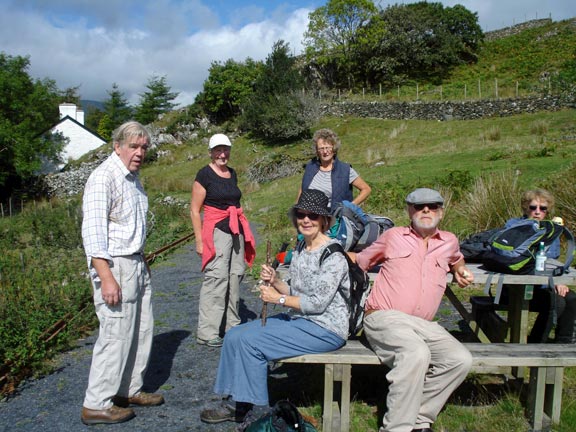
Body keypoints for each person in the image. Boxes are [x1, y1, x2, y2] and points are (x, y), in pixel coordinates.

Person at [199, 189, 350, 425]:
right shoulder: (302, 248)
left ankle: (259, 412)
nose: (306, 220)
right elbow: (297, 292)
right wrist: (276, 282)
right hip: (303, 320)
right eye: (301, 214)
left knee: (252, 343)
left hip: (326, 328)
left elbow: (316, 304)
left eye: (313, 215)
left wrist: (276, 299)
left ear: (324, 220)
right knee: (235, 334)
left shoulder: (334, 256)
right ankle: (237, 401)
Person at [350, 188, 474, 432]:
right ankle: (397, 428)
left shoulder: (449, 241)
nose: (426, 210)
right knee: (416, 354)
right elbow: (362, 260)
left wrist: (459, 269)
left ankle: (420, 418)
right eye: (419, 206)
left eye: (432, 206)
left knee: (460, 359)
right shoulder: (393, 236)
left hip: (423, 325)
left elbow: (456, 257)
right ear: (409, 210)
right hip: (385, 317)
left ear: (441, 211)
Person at [80, 121, 164, 425]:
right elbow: (93, 234)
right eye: (134, 146)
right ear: (118, 146)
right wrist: (106, 276)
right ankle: (96, 402)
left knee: (142, 328)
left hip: (135, 262)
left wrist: (141, 263)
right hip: (114, 264)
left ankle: (128, 388)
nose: (140, 152)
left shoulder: (133, 179)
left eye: (144, 147)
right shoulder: (104, 177)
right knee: (115, 332)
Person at [190, 133, 256, 348]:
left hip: (235, 230)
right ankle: (208, 331)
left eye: (225, 149)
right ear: (211, 152)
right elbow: (194, 210)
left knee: (235, 275)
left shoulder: (233, 174)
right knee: (216, 277)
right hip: (216, 230)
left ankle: (232, 325)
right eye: (218, 150)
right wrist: (199, 241)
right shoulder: (204, 175)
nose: (222, 154)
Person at [504, 188, 576, 343]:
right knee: (556, 302)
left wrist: (559, 281)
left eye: (542, 208)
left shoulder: (551, 230)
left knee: (571, 298)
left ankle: (563, 343)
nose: (537, 212)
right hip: (516, 286)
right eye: (533, 207)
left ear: (547, 211)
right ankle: (536, 343)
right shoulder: (514, 225)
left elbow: (552, 260)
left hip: (543, 284)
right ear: (525, 208)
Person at [298, 128, 371, 211]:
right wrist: (297, 209)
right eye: (321, 148)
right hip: (310, 218)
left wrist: (350, 206)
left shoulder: (345, 170)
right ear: (317, 151)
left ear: (334, 148)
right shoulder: (310, 166)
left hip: (334, 218)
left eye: (328, 147)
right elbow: (303, 188)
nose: (325, 151)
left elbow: (366, 189)